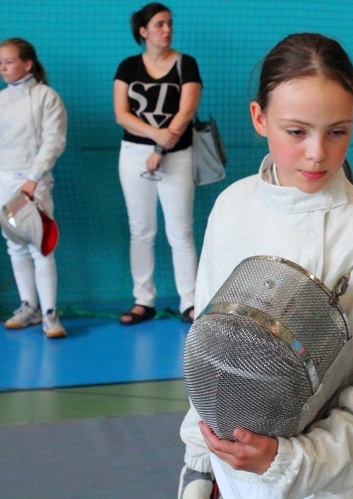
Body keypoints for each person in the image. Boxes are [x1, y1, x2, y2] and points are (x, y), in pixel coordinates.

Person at [178, 33, 353, 499]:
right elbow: (209, 346)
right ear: (259, 118)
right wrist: (199, 466)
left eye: (337, 131)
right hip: (230, 480)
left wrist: (286, 462)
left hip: (325, 487)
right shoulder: (232, 206)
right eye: (296, 131)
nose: (317, 152)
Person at [114, 2, 200, 326]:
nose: (167, 29)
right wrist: (156, 137)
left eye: (170, 23)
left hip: (177, 154)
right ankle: (143, 300)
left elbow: (186, 111)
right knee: (141, 230)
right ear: (143, 31)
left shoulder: (186, 64)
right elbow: (121, 114)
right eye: (160, 24)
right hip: (134, 154)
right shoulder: (127, 67)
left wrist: (161, 148)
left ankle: (190, 302)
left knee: (180, 230)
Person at [0, 38, 67, 339]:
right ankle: (29, 306)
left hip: (33, 183)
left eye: (8, 61)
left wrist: (33, 178)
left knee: (41, 245)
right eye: (0, 63)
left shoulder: (46, 97)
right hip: (3, 181)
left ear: (27, 64)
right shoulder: (1, 100)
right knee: (15, 244)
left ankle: (50, 313)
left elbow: (54, 141)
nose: (3, 68)